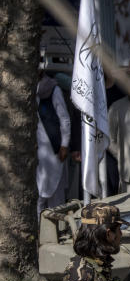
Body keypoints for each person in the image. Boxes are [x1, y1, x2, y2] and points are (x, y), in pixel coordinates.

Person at [36, 70, 72, 216]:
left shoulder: (53, 89)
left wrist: (64, 144)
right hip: (35, 152)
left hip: (53, 150)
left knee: (55, 194)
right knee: (37, 196)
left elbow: (64, 119)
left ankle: (57, 232)